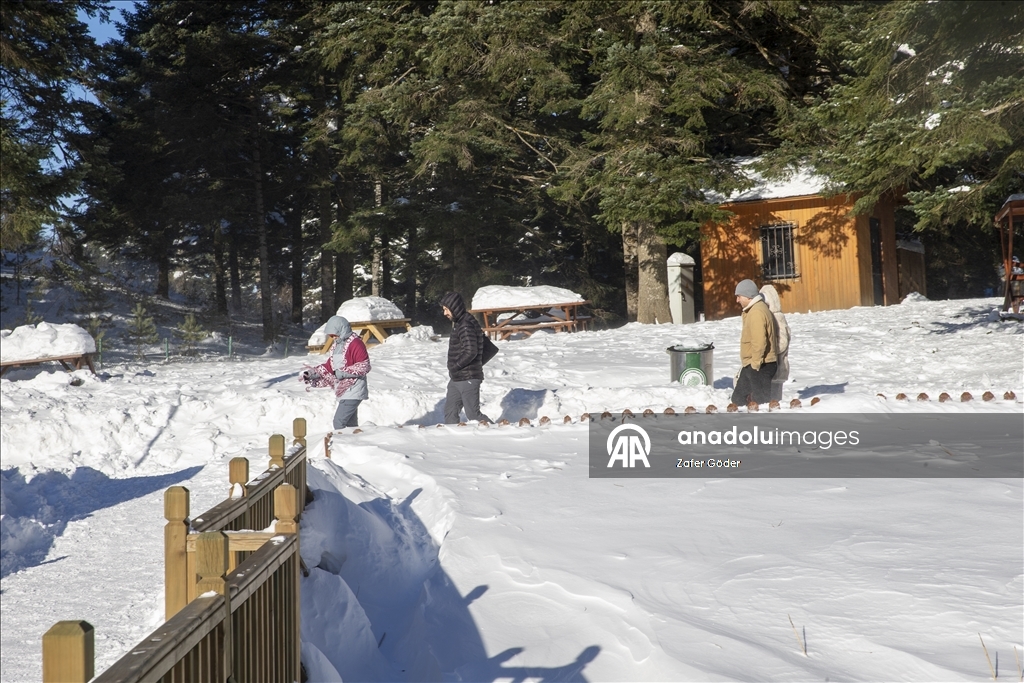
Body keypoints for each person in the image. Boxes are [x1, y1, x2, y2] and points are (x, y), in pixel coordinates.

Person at [301, 316, 371, 429]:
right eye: (330, 336)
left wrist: (342, 373)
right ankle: (355, 444)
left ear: (341, 330)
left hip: (354, 388)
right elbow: (330, 366)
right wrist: (313, 373)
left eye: (334, 335)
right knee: (351, 426)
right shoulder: (337, 346)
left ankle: (341, 444)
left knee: (339, 423)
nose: (333, 338)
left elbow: (364, 366)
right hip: (345, 390)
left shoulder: (356, 343)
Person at [440, 292, 494, 424]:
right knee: (450, 412)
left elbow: (471, 351)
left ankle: (498, 432)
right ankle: (452, 441)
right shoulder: (461, 323)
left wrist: (455, 366)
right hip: (458, 377)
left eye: (446, 309)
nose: (445, 313)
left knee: (473, 415)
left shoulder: (465, 325)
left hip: (468, 378)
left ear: (454, 307)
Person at [731, 279, 777, 406]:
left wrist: (755, 365)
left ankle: (761, 425)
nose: (737, 300)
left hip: (761, 365)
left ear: (748, 296)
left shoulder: (756, 312)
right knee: (738, 399)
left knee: (761, 403)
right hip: (754, 364)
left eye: (738, 296)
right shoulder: (753, 310)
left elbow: (759, 341)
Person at [759, 284, 791, 402]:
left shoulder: (777, 318)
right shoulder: (767, 316)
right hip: (769, 368)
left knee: (773, 403)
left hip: (777, 369)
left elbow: (782, 343)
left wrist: (766, 348)